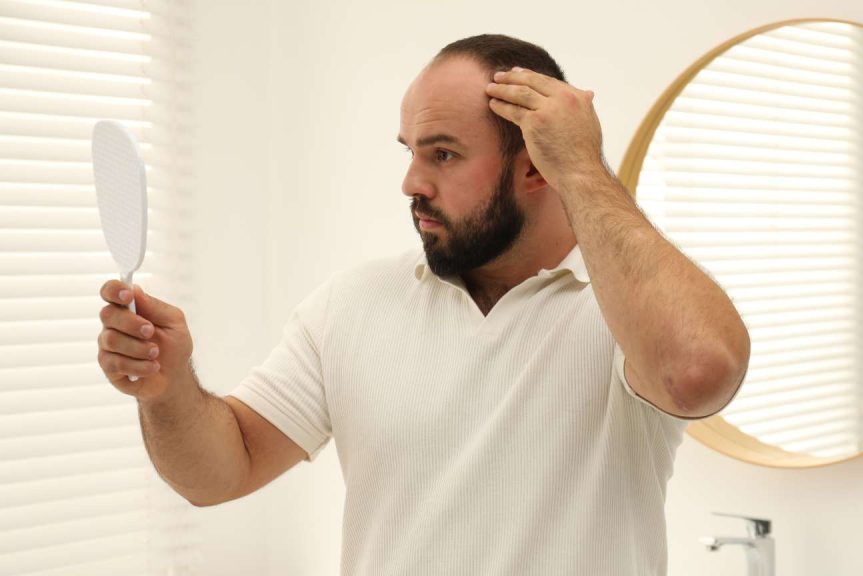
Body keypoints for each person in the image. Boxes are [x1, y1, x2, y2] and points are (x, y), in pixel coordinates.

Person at [96, 34, 750, 576]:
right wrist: (167, 388)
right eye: (411, 152)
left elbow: (696, 373)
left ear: (534, 166)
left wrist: (582, 166)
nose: (411, 183)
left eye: (442, 154)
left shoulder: (624, 314)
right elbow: (218, 473)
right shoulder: (351, 306)